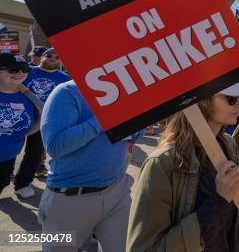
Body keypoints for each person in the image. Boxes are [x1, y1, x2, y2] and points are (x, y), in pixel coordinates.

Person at [127, 82, 239, 251]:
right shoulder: (162, 164)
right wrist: (216, 202)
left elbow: (229, 218)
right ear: (202, 101)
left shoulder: (229, 145)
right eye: (232, 98)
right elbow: (144, 247)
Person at [39, 80, 142, 251]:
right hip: (70, 197)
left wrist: (136, 124)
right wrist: (103, 119)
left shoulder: (128, 89)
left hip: (117, 191)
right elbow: (55, 146)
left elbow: (135, 137)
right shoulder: (67, 91)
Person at [14, 47, 71, 198]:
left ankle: (22, 183)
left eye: (57, 57)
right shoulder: (26, 71)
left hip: (44, 122)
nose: (53, 58)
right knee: (9, 150)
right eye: (49, 55)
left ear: (61, 62)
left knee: (34, 154)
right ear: (42, 57)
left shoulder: (65, 79)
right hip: (18, 117)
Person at [0, 53, 39, 197]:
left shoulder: (28, 97)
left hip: (8, 155)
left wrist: (26, 132)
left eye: (24, 69)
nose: (20, 73)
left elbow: (43, 115)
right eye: (13, 70)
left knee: (3, 181)